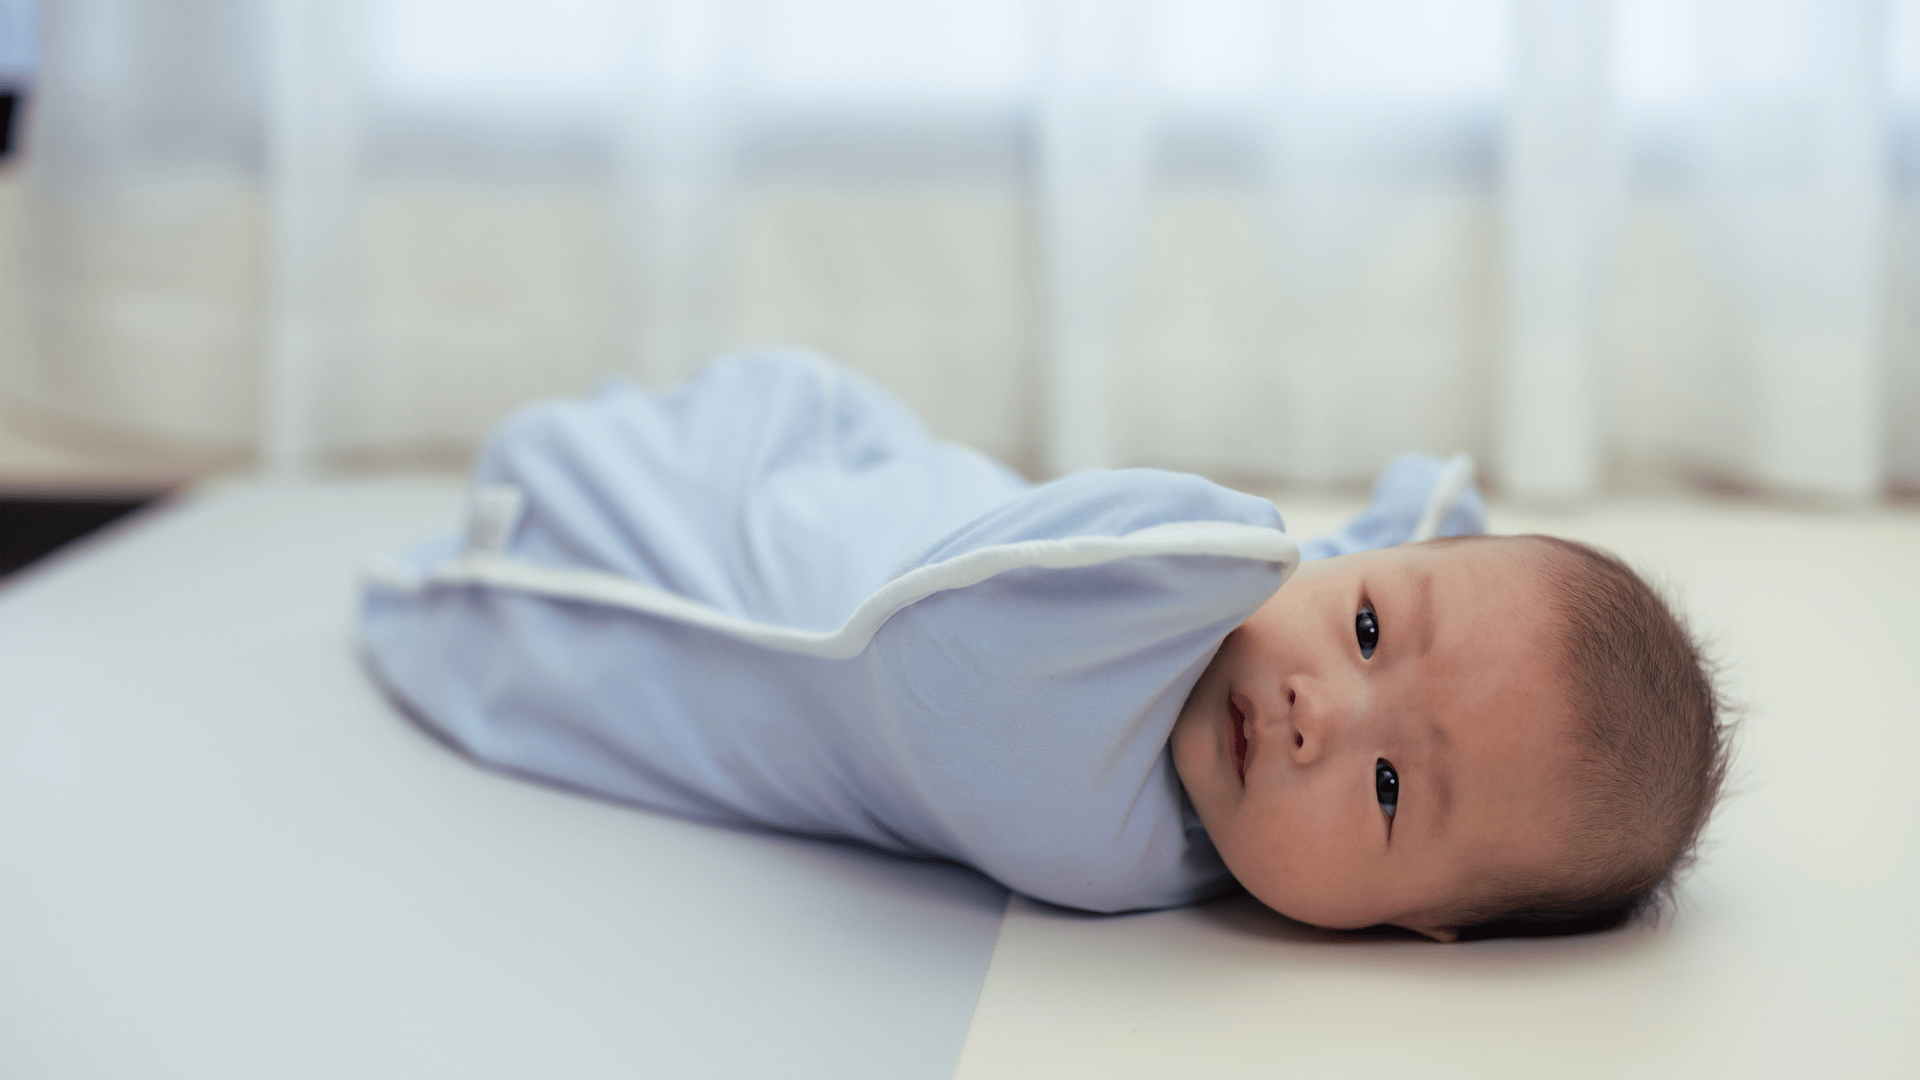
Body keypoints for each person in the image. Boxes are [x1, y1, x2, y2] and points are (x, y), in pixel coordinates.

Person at [359, 348, 1729, 940]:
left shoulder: (1094, 823)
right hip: (821, 472)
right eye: (1368, 625)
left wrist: (1306, 566)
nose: (1322, 711)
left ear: (1418, 924)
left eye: (1386, 791)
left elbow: (1005, 610)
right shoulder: (1259, 620)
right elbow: (1396, 548)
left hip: (619, 573)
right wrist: (1406, 538)